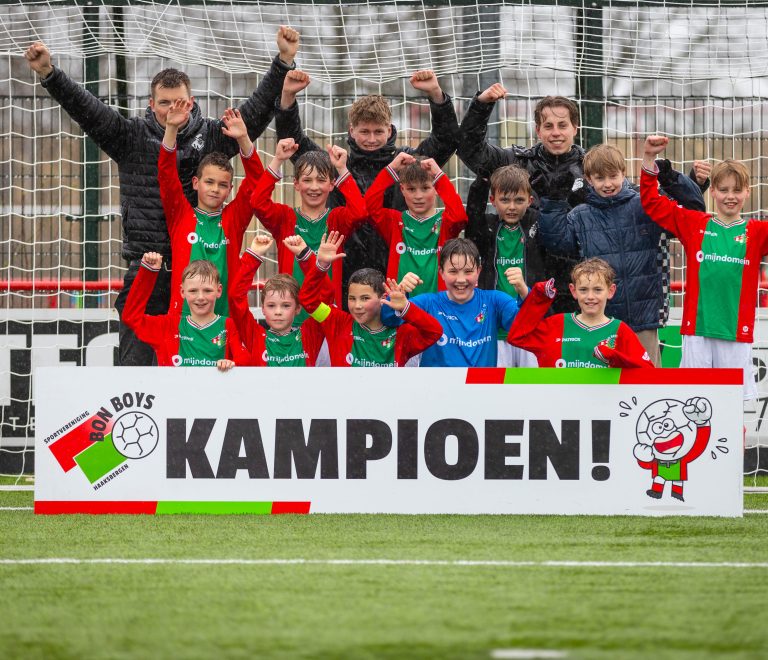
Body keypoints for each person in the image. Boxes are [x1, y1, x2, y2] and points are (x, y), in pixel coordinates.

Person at [24, 27, 300, 366]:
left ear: (191, 101)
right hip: (147, 272)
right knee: (136, 371)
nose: (172, 109)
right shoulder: (130, 137)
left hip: (202, 280)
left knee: (205, 372)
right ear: (151, 104)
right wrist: (50, 74)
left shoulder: (214, 135)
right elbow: (87, 109)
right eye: (164, 102)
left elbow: (255, 112)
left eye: (179, 102)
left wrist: (283, 60)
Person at [274, 69, 460, 300]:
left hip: (399, 271)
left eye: (378, 132)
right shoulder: (336, 164)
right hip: (345, 272)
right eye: (364, 132)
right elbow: (293, 142)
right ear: (351, 130)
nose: (371, 139)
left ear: (389, 130)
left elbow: (446, 139)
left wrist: (436, 94)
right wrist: (288, 98)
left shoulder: (407, 162)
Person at [535, 143, 708, 366]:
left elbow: (692, 214)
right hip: (599, 320)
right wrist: (554, 202)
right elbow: (556, 241)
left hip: (644, 318)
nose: (607, 184)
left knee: (646, 387)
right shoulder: (580, 215)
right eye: (599, 178)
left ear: (623, 173)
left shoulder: (645, 204)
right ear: (589, 179)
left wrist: (671, 179)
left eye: (613, 176)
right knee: (599, 389)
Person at [641, 135, 768, 400]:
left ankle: (735, 444)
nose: (730, 197)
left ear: (748, 192)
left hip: (736, 333)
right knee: (696, 403)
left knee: (731, 406)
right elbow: (652, 202)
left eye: (737, 190)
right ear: (713, 192)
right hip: (696, 332)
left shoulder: (756, 232)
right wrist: (649, 159)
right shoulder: (695, 223)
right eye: (723, 190)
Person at [160, 102, 262, 317]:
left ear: (230, 189)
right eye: (209, 182)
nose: (215, 189)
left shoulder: (233, 219)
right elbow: (167, 177)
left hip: (225, 324)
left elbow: (257, 183)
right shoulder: (180, 215)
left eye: (222, 185)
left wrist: (243, 139)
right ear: (196, 183)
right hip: (182, 326)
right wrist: (171, 129)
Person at [251, 137, 365, 309]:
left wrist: (342, 169)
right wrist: (277, 160)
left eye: (321, 180)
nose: (314, 187)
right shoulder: (285, 218)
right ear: (296, 184)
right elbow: (257, 203)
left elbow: (360, 213)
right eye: (307, 180)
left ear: (332, 184)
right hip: (291, 319)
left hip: (327, 317)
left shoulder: (336, 219)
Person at [297, 232, 443, 367]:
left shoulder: (402, 334)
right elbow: (308, 300)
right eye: (352, 298)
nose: (357, 306)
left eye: (365, 298)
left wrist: (405, 308)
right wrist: (321, 265)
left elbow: (434, 331)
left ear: (383, 298)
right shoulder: (337, 322)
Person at [507, 259, 654, 369]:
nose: (590, 296)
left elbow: (647, 373)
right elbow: (517, 337)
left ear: (611, 291)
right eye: (583, 290)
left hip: (602, 407)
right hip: (558, 407)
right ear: (573, 291)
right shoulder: (557, 324)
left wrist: (618, 360)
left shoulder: (620, 330)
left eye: (597, 290)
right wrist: (539, 298)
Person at [465, 165, 544, 367]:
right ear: (493, 200)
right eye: (505, 200)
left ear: (530, 201)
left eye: (519, 200)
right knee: (496, 389)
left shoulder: (536, 226)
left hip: (529, 325)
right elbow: (472, 213)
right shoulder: (487, 228)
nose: (511, 207)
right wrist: (482, 180)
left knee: (532, 387)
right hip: (494, 328)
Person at [404, 237, 524, 367]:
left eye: (468, 271)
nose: (461, 279)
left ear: (478, 271)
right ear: (441, 272)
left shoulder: (495, 301)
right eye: (453, 271)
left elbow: (524, 325)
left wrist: (524, 292)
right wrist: (399, 296)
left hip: (481, 386)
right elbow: (387, 318)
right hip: (438, 386)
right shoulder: (428, 304)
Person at [122, 253, 248, 370]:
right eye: (193, 291)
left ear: (219, 291)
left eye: (207, 291)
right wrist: (148, 272)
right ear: (182, 292)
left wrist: (233, 365)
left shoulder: (229, 326)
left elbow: (247, 363)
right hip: (174, 394)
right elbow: (131, 317)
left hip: (216, 394)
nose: (200, 297)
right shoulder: (168, 326)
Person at [365, 153, 467, 296]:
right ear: (402, 190)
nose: (418, 196)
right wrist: (391, 169)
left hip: (438, 307)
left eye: (425, 188)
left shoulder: (444, 222)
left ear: (436, 189)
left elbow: (459, 217)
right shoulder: (395, 221)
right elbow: (368, 208)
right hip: (400, 307)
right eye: (411, 189)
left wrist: (439, 176)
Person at [228, 234, 328, 367]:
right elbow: (235, 297)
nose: (278, 312)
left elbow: (326, 295)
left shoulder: (310, 335)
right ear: (262, 308)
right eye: (271, 306)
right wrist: (253, 256)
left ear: (298, 308)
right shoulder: (255, 337)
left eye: (286, 305)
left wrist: (305, 256)